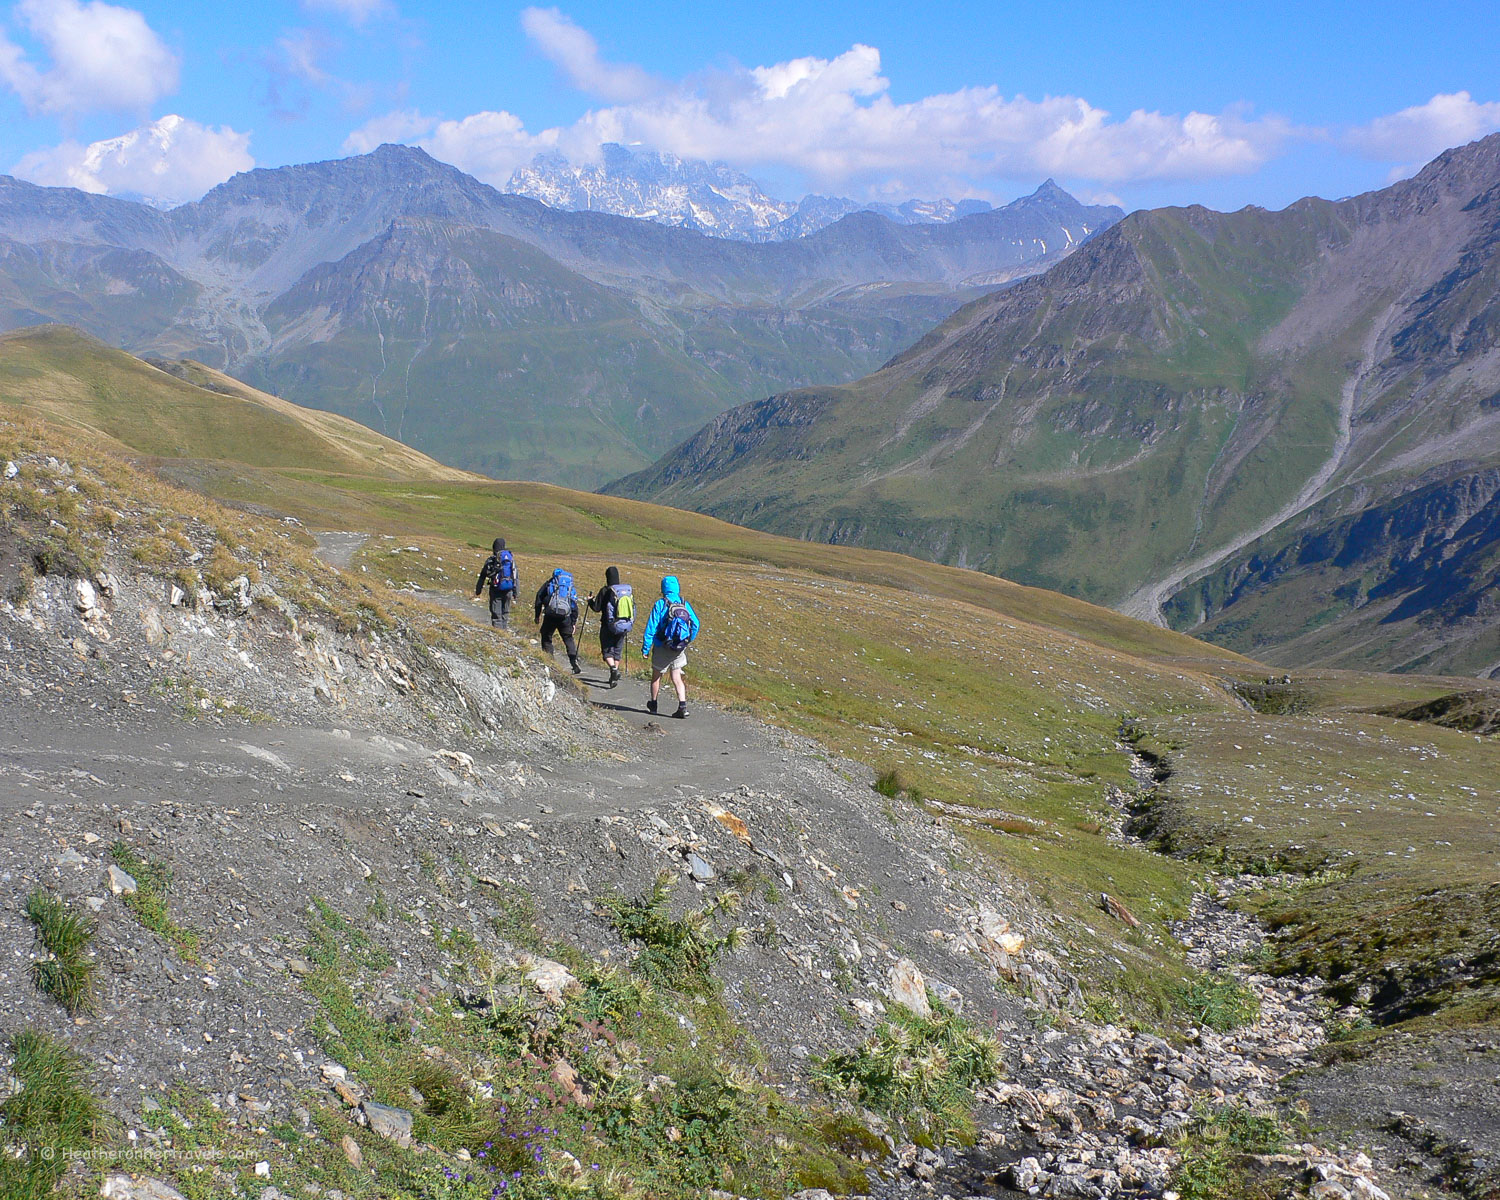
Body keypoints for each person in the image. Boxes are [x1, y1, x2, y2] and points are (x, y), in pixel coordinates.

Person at [640, 575, 699, 718]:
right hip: (678, 647)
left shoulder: (660, 604)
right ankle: (682, 706)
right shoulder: (684, 603)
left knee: (656, 677)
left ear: (663, 588)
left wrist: (646, 648)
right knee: (677, 676)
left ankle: (653, 705)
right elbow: (696, 624)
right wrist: (687, 640)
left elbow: (651, 628)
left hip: (662, 645)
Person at [586, 566, 634, 688]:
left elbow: (596, 608)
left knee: (607, 650)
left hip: (608, 626)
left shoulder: (605, 590)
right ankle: (614, 676)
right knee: (617, 651)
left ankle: (613, 669)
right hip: (623, 626)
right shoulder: (625, 592)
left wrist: (590, 601)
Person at [534, 568, 582, 674]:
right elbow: (574, 605)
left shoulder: (550, 584)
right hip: (565, 616)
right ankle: (574, 661)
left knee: (546, 636)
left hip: (550, 615)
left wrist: (537, 615)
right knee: (568, 638)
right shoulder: (569, 587)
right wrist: (573, 623)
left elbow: (539, 597)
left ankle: (549, 662)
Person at [473, 537, 518, 629]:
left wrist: (478, 590)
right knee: (505, 613)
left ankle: (499, 634)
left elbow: (483, 575)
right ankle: (504, 632)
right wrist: (516, 592)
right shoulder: (510, 560)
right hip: (508, 590)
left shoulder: (492, 560)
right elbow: (515, 576)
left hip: (496, 589)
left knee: (496, 614)